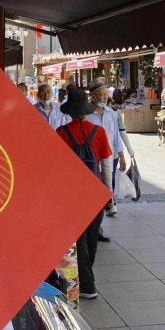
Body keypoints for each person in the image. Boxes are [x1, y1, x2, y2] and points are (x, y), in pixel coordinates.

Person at [57, 86, 114, 300]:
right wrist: (108, 193)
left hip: (71, 193)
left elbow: (58, 168)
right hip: (95, 191)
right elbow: (107, 165)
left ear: (70, 111)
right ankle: (87, 282)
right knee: (91, 237)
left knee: (76, 239)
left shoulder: (61, 133)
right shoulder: (98, 132)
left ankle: (83, 284)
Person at [86, 80, 128, 218]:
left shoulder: (111, 113)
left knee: (108, 184)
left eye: (106, 94)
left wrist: (121, 155)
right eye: (101, 95)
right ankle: (97, 214)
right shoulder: (86, 115)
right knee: (93, 187)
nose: (105, 98)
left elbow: (116, 136)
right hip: (91, 158)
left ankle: (110, 205)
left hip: (108, 156)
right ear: (93, 97)